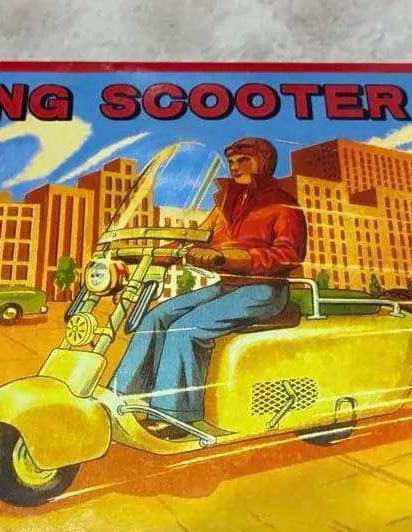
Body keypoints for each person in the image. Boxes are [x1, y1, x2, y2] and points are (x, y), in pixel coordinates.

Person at [110, 137, 307, 439]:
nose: (235, 166)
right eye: (232, 161)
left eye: (244, 160)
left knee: (186, 328)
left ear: (264, 162)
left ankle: (174, 415)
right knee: (157, 316)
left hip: (264, 289)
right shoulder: (226, 204)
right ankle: (120, 398)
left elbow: (288, 254)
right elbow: (197, 238)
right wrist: (148, 254)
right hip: (227, 286)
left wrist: (233, 259)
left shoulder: (281, 204)